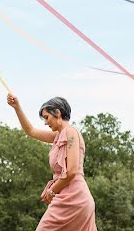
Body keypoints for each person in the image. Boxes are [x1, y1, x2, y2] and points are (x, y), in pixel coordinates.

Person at [7, 94, 97, 230]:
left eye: (46, 117)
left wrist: (51, 191)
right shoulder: (58, 135)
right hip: (67, 197)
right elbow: (30, 131)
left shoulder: (71, 132)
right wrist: (17, 108)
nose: (45, 122)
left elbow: (72, 171)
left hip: (74, 198)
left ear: (58, 113)